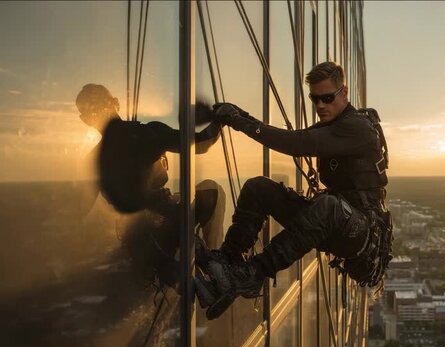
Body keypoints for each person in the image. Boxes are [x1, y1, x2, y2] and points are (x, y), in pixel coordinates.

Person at [195, 62, 393, 319]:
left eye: (327, 98)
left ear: (343, 93)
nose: (320, 105)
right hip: (335, 221)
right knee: (258, 189)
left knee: (329, 206)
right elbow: (291, 138)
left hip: (361, 233)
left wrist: (236, 121)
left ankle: (252, 275)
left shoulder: (355, 127)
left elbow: (296, 143)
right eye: (315, 99)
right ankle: (226, 264)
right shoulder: (334, 125)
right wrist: (239, 115)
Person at [75, 84, 223, 287]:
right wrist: (221, 118)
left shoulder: (95, 159)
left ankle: (191, 272)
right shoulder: (148, 133)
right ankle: (216, 269)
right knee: (214, 189)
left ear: (86, 120)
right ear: (114, 103)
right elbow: (202, 143)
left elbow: (79, 210)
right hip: (166, 225)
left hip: (139, 242)